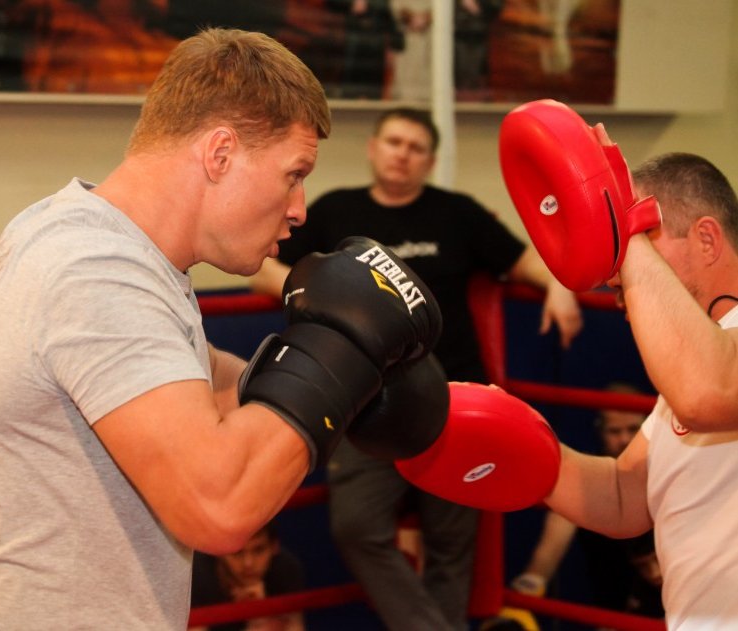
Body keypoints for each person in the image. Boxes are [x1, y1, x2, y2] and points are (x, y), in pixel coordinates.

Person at [0, 28, 447, 630]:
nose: (299, 208)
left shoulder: (78, 233)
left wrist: (355, 388)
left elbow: (203, 379)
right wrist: (338, 358)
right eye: (293, 173)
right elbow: (217, 507)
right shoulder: (97, 271)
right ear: (220, 153)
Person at [249, 107, 583, 631]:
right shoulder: (336, 211)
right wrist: (313, 293)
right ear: (373, 148)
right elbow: (262, 265)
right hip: (366, 403)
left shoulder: (457, 214)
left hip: (454, 401)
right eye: (394, 142)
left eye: (416, 147)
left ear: (430, 161)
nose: (402, 154)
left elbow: (525, 261)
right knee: (357, 526)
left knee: (452, 540)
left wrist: (560, 287)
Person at [545, 147, 738, 630]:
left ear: (707, 239)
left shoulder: (706, 374)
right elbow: (623, 496)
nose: (617, 273)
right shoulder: (696, 358)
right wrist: (522, 447)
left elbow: (709, 395)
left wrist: (624, 233)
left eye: (641, 236)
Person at [484, 383, 663, 630]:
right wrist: (530, 585)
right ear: (600, 431)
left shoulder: (668, 474)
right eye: (614, 431)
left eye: (633, 429)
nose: (624, 439)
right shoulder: (593, 483)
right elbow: (558, 530)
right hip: (619, 607)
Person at [190, 521, 306, 631]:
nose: (248, 563)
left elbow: (296, 627)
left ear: (274, 547)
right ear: (219, 551)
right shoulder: (196, 574)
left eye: (258, 550)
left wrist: (260, 614)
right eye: (237, 552)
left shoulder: (286, 569)